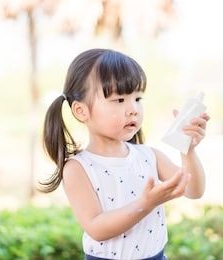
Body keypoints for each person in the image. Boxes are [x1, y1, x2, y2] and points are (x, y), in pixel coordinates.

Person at [39, 48, 209, 260]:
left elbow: (193, 190)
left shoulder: (149, 156)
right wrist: (146, 204)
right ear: (81, 110)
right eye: (119, 100)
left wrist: (188, 149)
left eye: (138, 98)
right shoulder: (78, 168)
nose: (133, 109)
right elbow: (96, 227)